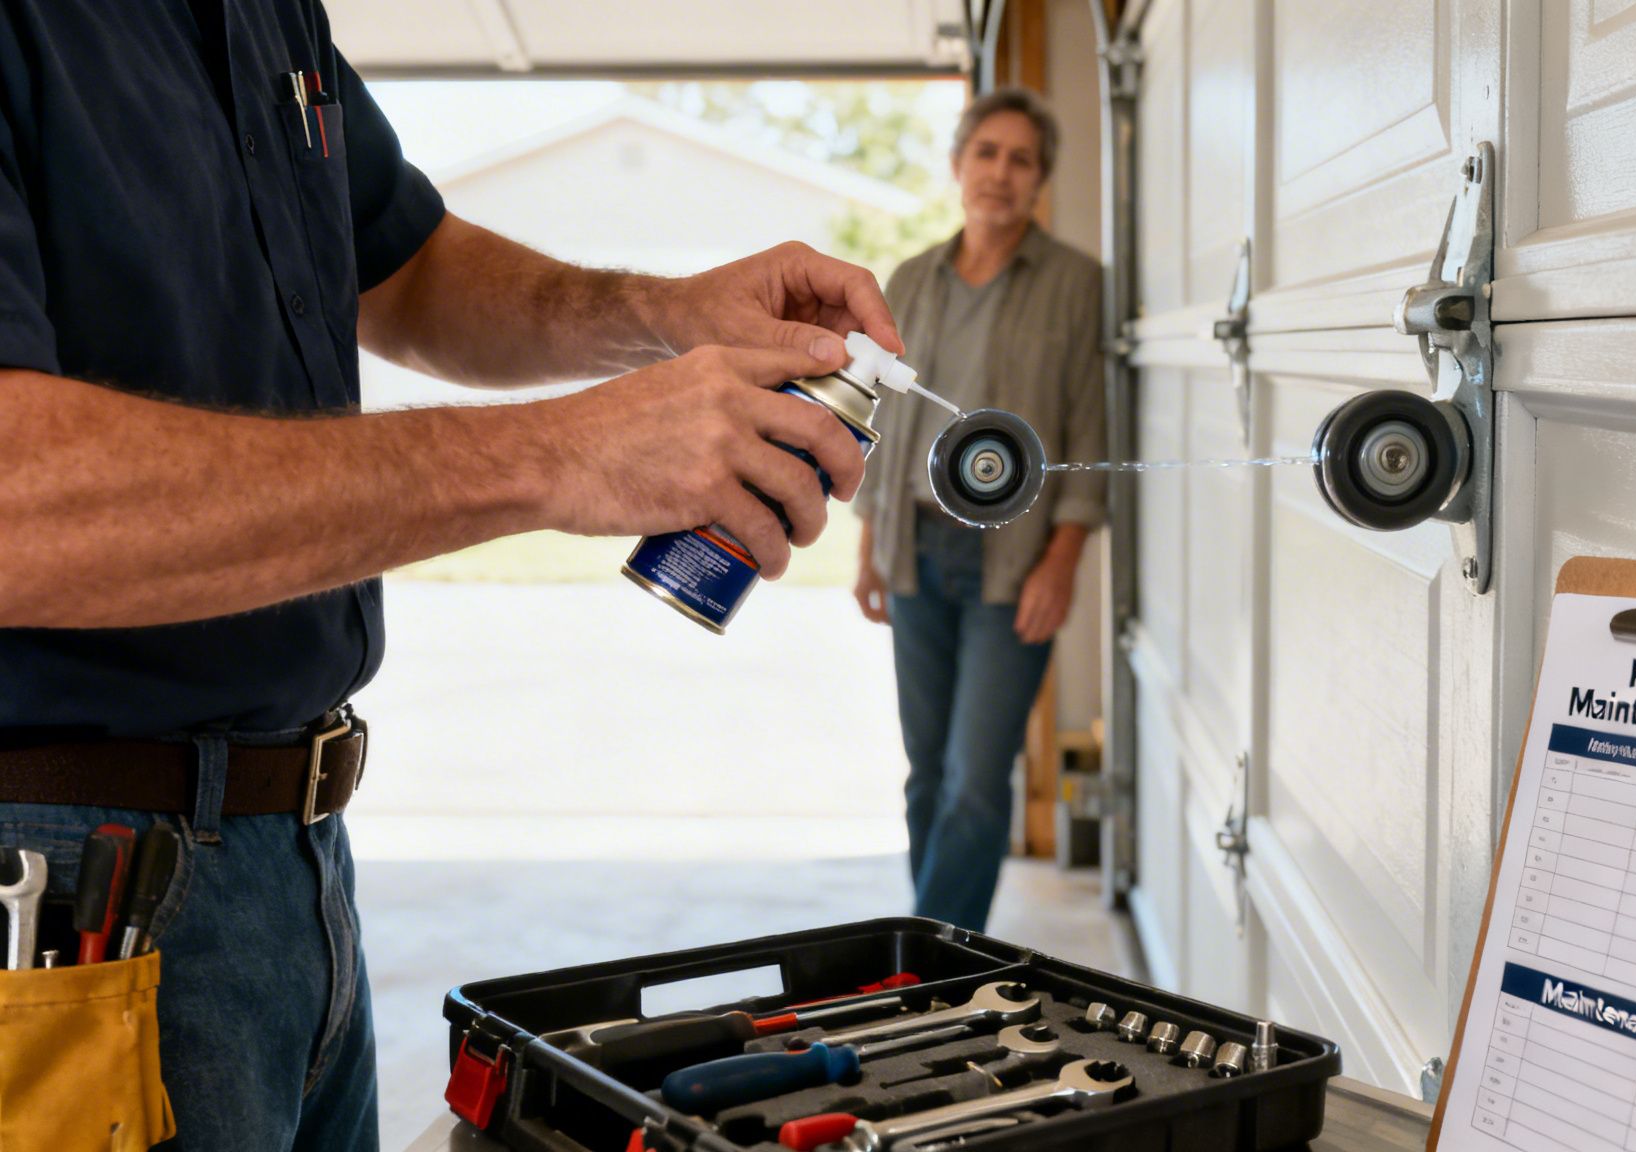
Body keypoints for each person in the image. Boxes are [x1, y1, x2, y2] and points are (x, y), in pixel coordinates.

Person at [0, 3, 900, 1148]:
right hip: (65, 883)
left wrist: (657, 315)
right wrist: (558, 454)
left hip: (293, 864)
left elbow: (407, 266)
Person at [852, 88, 1105, 935]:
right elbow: (880, 423)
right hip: (913, 546)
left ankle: (925, 962)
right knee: (925, 772)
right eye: (986, 152)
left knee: (973, 776)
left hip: (1014, 560)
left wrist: (1063, 558)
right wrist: (868, 550)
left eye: (1021, 158)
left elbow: (1087, 424)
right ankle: (937, 946)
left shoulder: (1076, 284)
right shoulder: (909, 281)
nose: (1001, 172)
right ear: (959, 165)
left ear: (1042, 181)